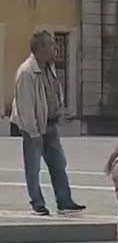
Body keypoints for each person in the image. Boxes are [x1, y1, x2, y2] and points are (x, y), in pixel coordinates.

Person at [11, 30, 85, 216]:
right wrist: (33, 132)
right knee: (33, 167)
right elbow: (25, 106)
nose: (56, 48)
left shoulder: (49, 67)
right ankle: (37, 202)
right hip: (34, 127)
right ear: (40, 48)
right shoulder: (27, 72)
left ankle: (64, 201)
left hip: (50, 124)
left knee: (58, 163)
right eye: (52, 44)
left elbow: (53, 92)